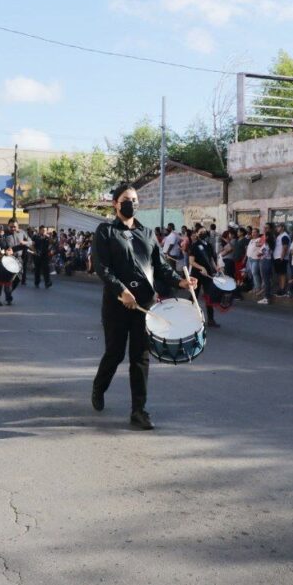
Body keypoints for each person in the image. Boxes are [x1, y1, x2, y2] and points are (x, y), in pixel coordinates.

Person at [91, 184, 196, 430]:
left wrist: (180, 281)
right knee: (115, 353)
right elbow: (102, 267)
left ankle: (139, 410)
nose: (132, 203)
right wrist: (122, 291)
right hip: (117, 303)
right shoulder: (105, 231)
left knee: (140, 357)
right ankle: (99, 386)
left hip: (145, 305)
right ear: (116, 203)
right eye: (127, 199)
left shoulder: (147, 233)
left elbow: (160, 266)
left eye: (135, 199)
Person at [189, 224, 222, 328]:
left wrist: (216, 267)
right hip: (196, 274)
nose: (203, 234)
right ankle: (187, 317)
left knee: (209, 297)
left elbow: (212, 259)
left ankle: (211, 320)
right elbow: (191, 262)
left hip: (207, 275)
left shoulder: (209, 245)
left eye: (204, 232)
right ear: (197, 234)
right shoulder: (194, 245)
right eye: (201, 232)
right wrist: (201, 268)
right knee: (193, 296)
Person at [272, 223, 291, 296]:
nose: (277, 228)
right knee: (279, 274)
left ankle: (283, 289)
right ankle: (280, 288)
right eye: (277, 227)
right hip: (277, 257)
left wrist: (282, 257)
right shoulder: (279, 236)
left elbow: (285, 247)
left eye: (278, 227)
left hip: (281, 258)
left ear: (283, 227)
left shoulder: (285, 236)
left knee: (282, 274)